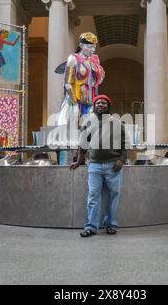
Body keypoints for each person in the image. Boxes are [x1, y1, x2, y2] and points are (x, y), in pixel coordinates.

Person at [70, 95, 129, 238]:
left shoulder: (116, 122)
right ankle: (91, 226)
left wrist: (121, 160)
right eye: (97, 103)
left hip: (113, 165)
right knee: (93, 195)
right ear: (94, 106)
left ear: (108, 106)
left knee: (113, 195)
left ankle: (111, 224)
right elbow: (83, 144)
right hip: (94, 166)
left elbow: (125, 143)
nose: (100, 105)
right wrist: (79, 161)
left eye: (103, 103)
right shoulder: (89, 122)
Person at [55, 32, 105, 127]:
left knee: (92, 127)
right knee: (70, 126)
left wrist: (98, 71)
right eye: (90, 47)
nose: (92, 50)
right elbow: (67, 83)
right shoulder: (73, 59)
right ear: (81, 45)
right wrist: (74, 103)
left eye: (94, 47)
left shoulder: (94, 60)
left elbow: (99, 81)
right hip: (75, 99)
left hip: (90, 99)